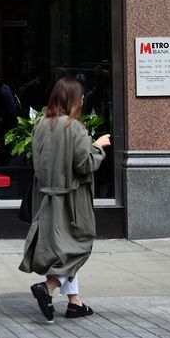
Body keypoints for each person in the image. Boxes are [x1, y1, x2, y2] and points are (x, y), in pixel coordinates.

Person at [19, 76, 110, 322]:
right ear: (73, 99)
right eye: (80, 96)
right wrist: (99, 146)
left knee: (63, 249)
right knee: (79, 245)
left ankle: (74, 303)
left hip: (46, 198)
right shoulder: (75, 127)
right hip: (71, 200)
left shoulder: (40, 124)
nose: (83, 99)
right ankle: (48, 287)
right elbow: (85, 164)